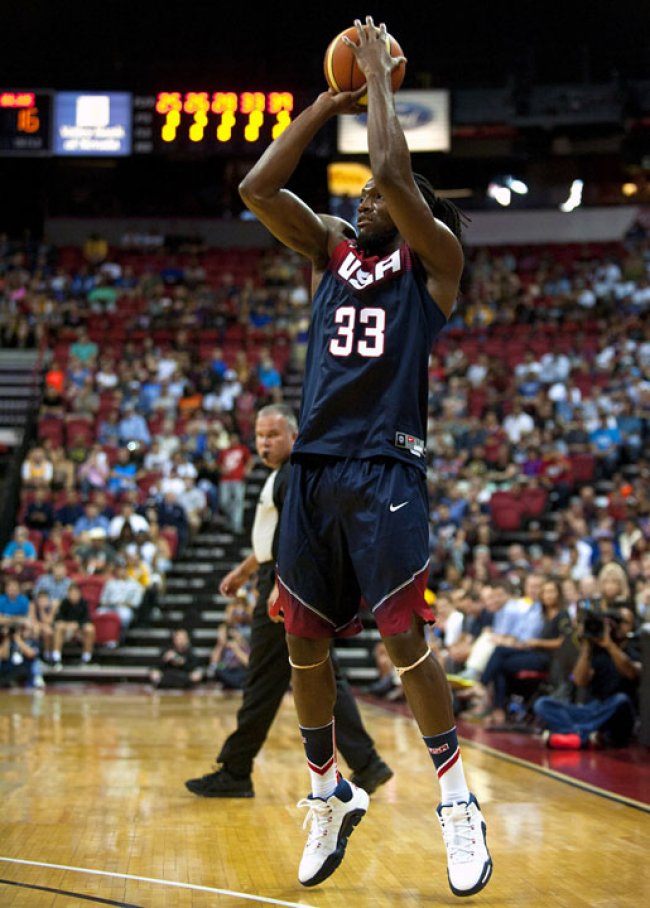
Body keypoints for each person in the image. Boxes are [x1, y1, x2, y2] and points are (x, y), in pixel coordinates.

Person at [237, 18, 491, 896]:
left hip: (385, 466)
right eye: (363, 198)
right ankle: (328, 792)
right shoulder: (331, 250)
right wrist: (325, 103)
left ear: (417, 211)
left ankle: (456, 802)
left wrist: (379, 78)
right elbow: (258, 186)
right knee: (303, 643)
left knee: (403, 637)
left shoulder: (436, 262)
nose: (366, 200)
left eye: (382, 198)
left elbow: (388, 166)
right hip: (314, 468)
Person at [185, 403, 392, 799]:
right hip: (287, 580)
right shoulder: (285, 474)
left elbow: (299, 536)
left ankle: (236, 770)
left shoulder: (293, 474)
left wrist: (281, 582)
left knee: (265, 682)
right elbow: (275, 536)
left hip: (288, 584)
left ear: (294, 437)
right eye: (259, 436)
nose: (264, 443)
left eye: (273, 435)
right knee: (322, 677)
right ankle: (367, 763)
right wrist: (245, 570)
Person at [533, 604, 642, 749]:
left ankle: (574, 734)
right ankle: (585, 735)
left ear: (632, 625)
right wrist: (586, 648)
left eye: (623, 622)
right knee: (543, 704)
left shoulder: (636, 645)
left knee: (621, 700)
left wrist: (610, 645)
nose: (618, 627)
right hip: (593, 709)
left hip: (618, 711)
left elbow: (632, 673)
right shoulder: (596, 648)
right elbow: (579, 681)